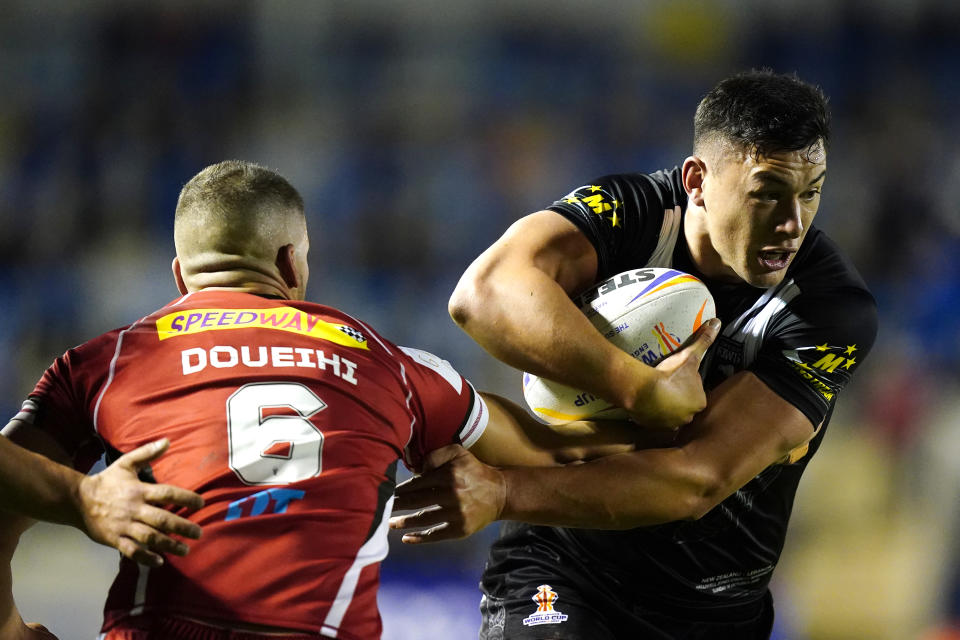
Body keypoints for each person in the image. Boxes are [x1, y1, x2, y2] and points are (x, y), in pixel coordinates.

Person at [0, 160, 710, 640]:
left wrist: (76, 511)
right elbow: (561, 452)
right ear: (291, 264)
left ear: (182, 274)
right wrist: (656, 395)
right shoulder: (390, 364)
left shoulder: (109, 361)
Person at [391, 69, 878, 639]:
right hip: (559, 572)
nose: (793, 223)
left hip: (713, 609)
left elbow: (696, 479)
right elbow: (481, 294)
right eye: (767, 192)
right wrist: (635, 386)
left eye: (811, 191)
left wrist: (503, 491)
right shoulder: (633, 213)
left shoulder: (829, 308)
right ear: (697, 179)